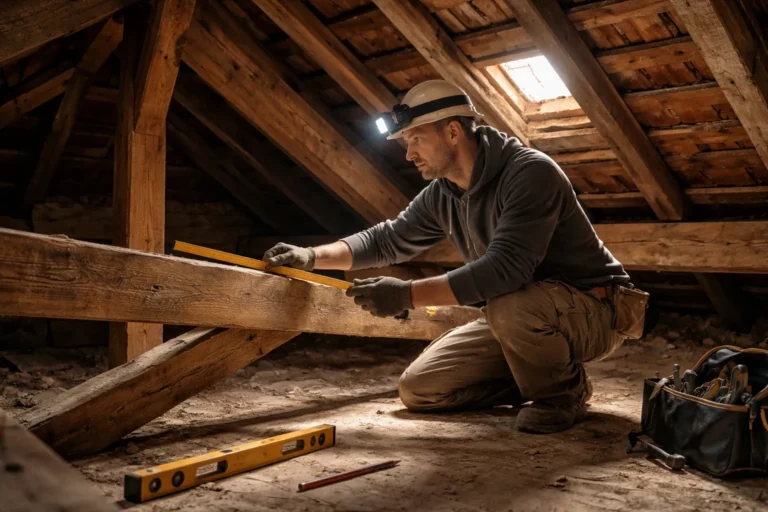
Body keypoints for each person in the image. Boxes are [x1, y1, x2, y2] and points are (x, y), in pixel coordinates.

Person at [263, 80, 648, 434]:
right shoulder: (443, 193)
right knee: (420, 390)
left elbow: (505, 270)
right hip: (518, 312)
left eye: (416, 139)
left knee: (510, 304)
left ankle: (563, 394)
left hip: (596, 310)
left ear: (452, 132)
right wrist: (311, 256)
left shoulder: (530, 173)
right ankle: (540, 373)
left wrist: (405, 295)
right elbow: (387, 240)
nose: (409, 154)